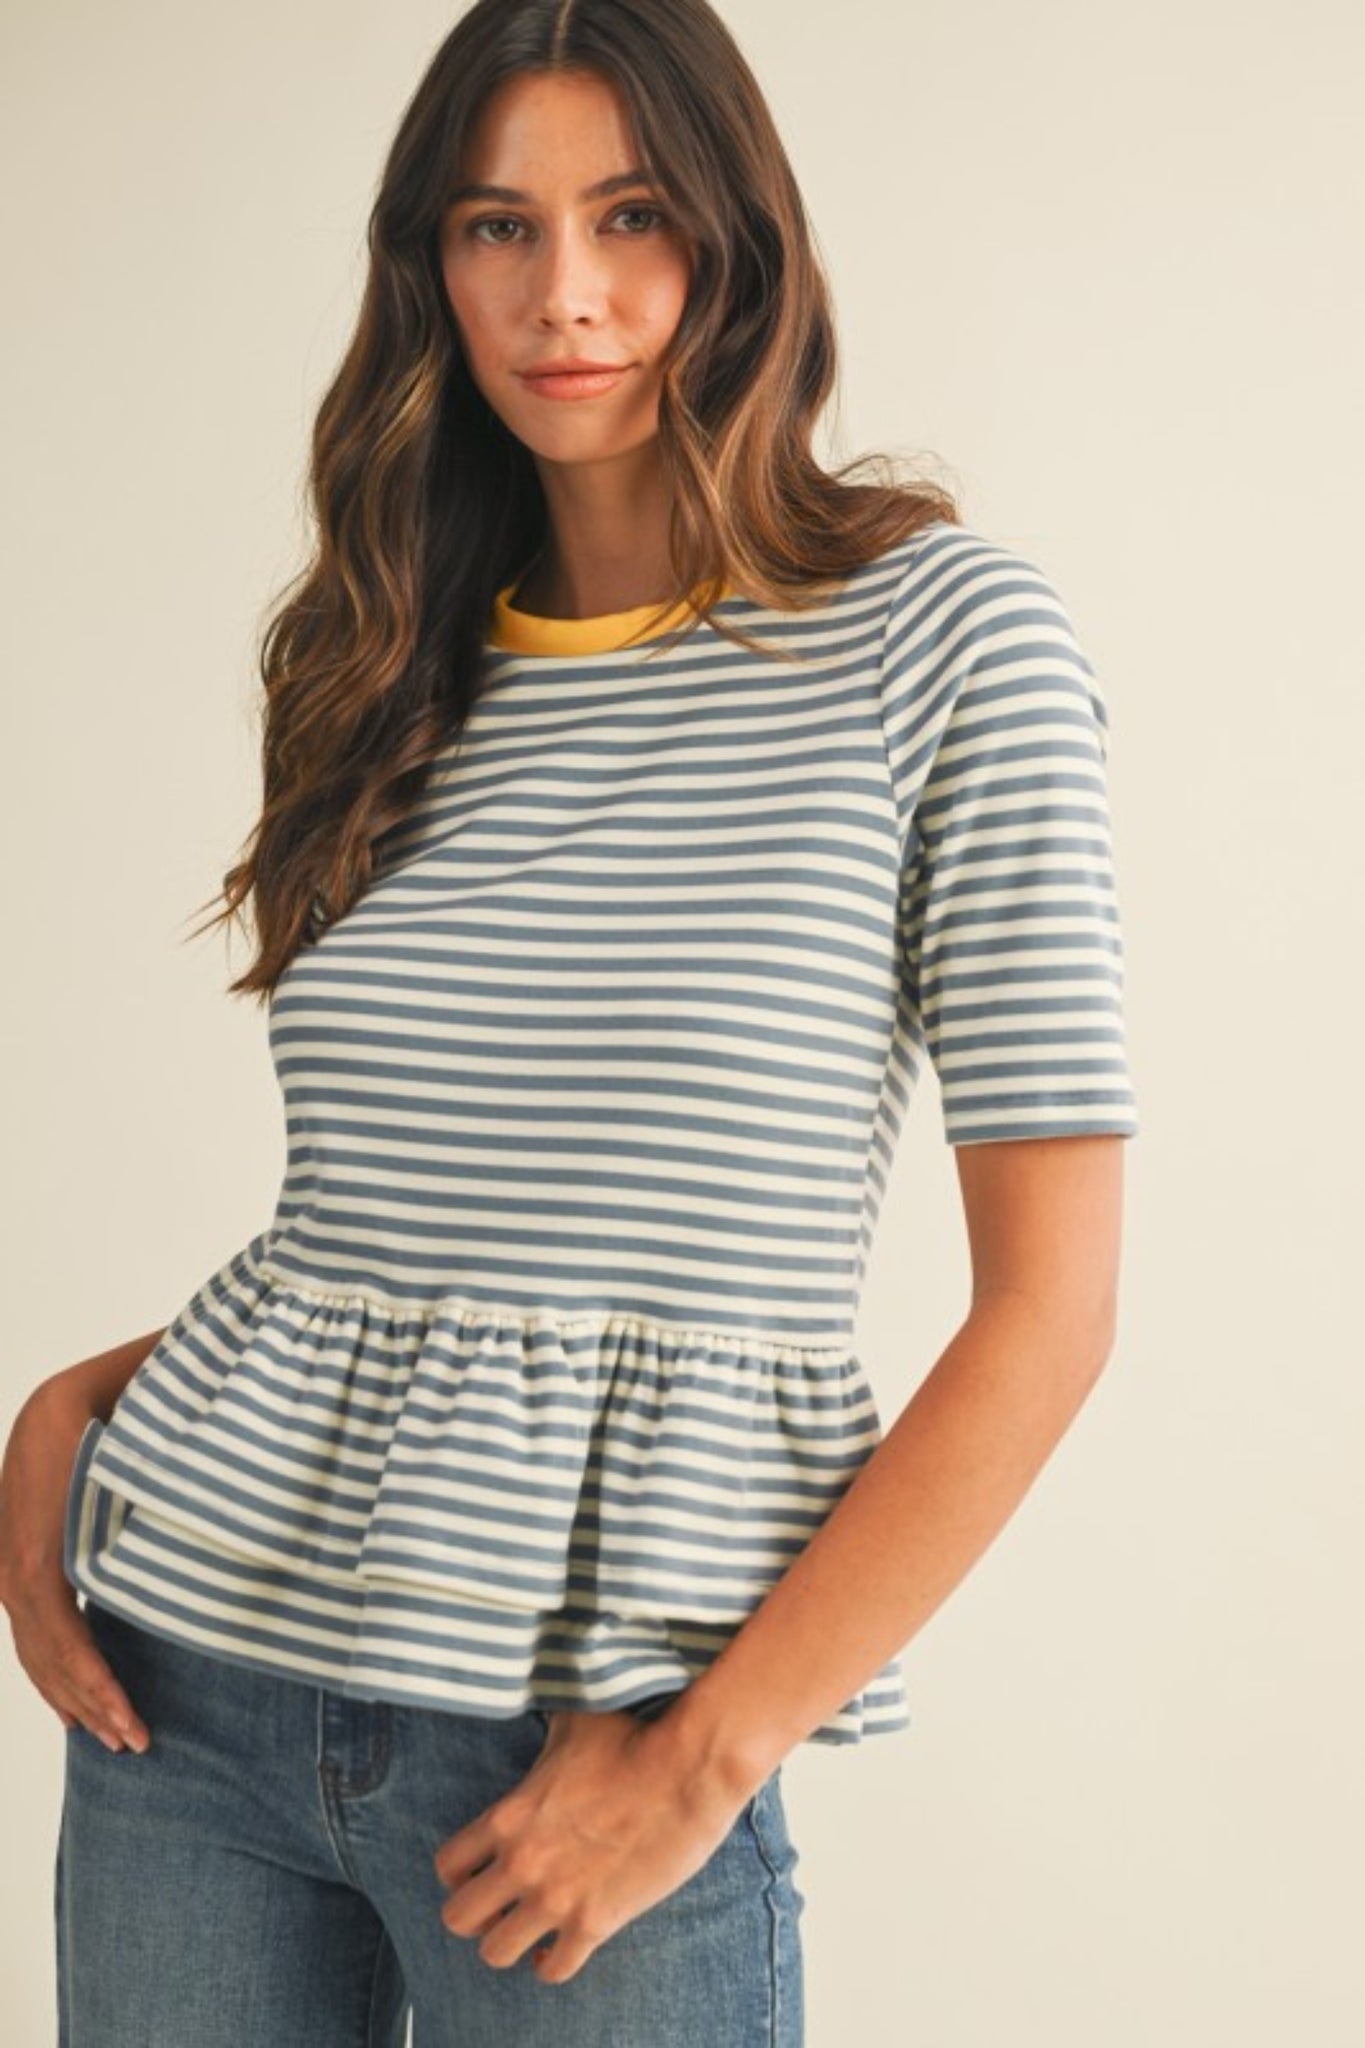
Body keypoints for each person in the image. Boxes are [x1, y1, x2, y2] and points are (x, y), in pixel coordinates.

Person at [0, 2, 1140, 2042]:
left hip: (590, 1759)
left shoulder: (937, 640)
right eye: (494, 226)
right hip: (195, 1700)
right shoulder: (375, 661)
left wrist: (698, 1763)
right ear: (428, 266)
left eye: (630, 218)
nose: (564, 297)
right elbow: (407, 1227)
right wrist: (70, 1414)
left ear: (736, 243)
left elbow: (1047, 1313)